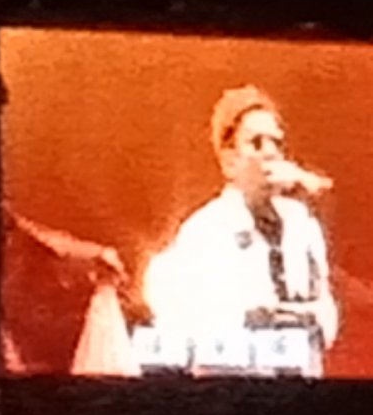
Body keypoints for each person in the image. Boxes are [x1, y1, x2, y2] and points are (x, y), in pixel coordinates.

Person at [141, 86, 338, 373]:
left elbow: (325, 307)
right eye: (256, 143)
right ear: (229, 160)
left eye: (276, 143)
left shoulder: (301, 224)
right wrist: (251, 320)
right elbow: (175, 317)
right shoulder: (204, 231)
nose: (270, 152)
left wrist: (311, 321)